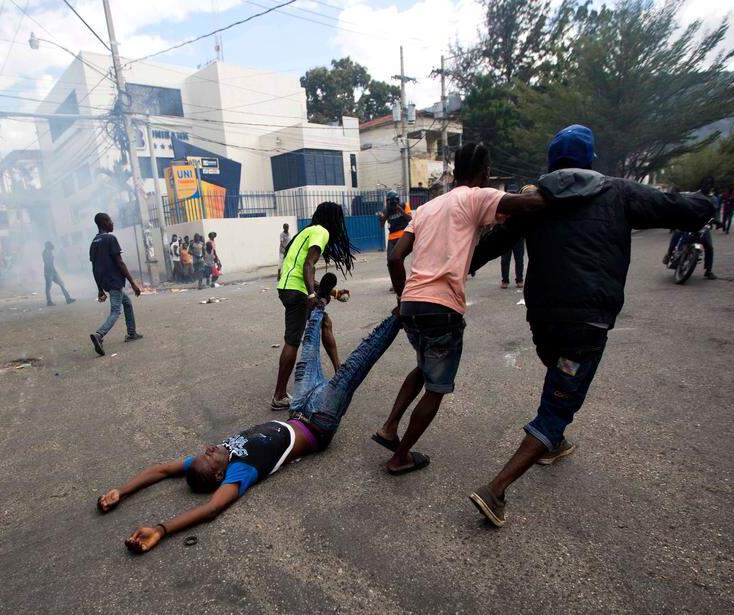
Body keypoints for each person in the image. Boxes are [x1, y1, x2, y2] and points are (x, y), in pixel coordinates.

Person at [465, 124, 712, 527]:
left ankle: (553, 443)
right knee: (559, 402)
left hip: (542, 320)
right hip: (587, 323)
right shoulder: (618, 191)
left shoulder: (535, 200)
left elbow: (491, 246)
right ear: (590, 159)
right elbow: (677, 207)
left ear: (551, 161)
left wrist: (455, 268)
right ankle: (497, 489)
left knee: (560, 372)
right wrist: (705, 201)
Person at [99, 277, 402, 553]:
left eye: (205, 453)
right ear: (219, 475)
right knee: (354, 366)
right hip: (319, 422)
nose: (210, 449)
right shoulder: (239, 472)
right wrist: (161, 530)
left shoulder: (212, 460)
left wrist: (122, 492)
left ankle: (320, 302)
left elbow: (162, 470)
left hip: (298, 410)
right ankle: (400, 316)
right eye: (210, 457)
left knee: (309, 345)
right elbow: (211, 509)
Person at [374, 142, 546, 475]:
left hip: (411, 305)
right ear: (484, 170)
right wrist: (542, 189)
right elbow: (532, 204)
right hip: (442, 308)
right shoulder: (477, 196)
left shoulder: (426, 208)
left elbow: (395, 257)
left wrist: (401, 298)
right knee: (436, 387)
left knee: (424, 367)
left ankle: (389, 427)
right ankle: (400, 456)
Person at [271, 202, 354, 410]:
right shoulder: (321, 232)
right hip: (297, 292)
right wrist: (310, 295)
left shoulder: (306, 232)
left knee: (325, 322)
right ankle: (279, 395)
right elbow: (309, 265)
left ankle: (339, 372)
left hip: (288, 287)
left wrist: (333, 292)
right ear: (333, 219)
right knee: (292, 341)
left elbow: (302, 270)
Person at [88, 212, 143, 355]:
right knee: (116, 311)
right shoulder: (110, 238)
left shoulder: (94, 242)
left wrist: (100, 289)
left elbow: (94, 268)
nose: (112, 223)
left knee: (127, 303)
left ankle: (132, 333)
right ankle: (99, 335)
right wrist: (133, 283)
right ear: (104, 222)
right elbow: (120, 262)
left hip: (106, 282)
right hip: (114, 281)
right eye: (111, 221)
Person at [42, 241, 74, 306]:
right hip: (48, 272)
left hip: (53, 272)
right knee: (48, 288)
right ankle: (49, 301)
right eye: (50, 245)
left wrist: (54, 270)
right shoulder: (45, 253)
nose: (51, 246)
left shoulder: (49, 252)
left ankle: (68, 299)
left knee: (61, 284)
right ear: (47, 246)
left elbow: (51, 262)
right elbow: (47, 263)